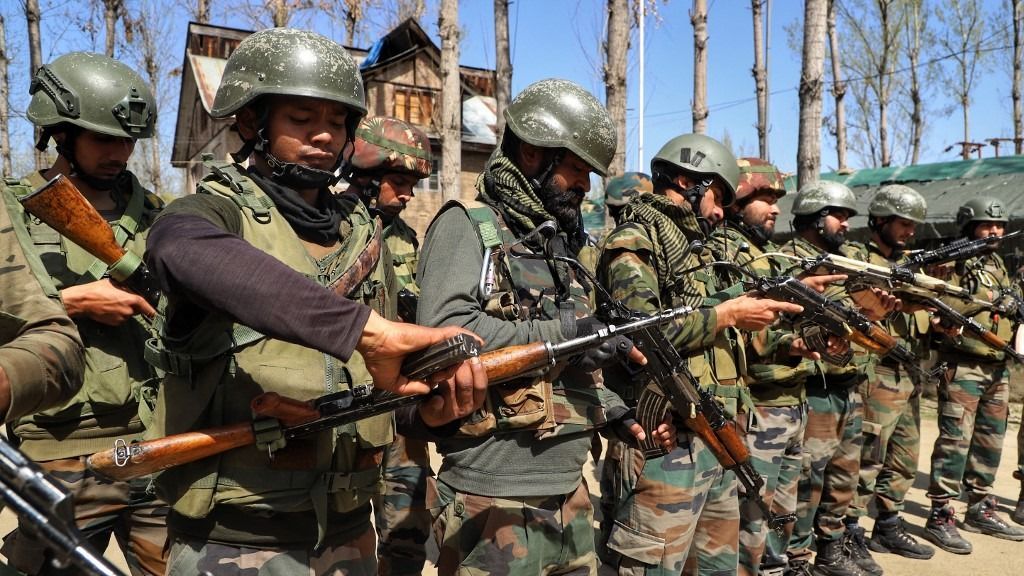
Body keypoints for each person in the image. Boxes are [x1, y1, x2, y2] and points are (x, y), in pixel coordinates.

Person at [140, 28, 486, 575]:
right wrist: (364, 330)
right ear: (253, 122)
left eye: (336, 122)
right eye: (301, 120)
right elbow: (176, 249)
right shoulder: (211, 215)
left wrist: (432, 414)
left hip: (349, 533)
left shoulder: (362, 234)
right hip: (234, 542)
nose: (323, 136)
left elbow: (382, 388)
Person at [411, 78, 675, 576]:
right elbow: (446, 333)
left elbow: (567, 363)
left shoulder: (561, 250)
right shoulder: (468, 226)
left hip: (569, 495)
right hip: (492, 500)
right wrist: (570, 336)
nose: (586, 186)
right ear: (533, 153)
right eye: (577, 169)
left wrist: (612, 411)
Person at [598, 138, 804, 576]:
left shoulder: (697, 253)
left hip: (715, 435)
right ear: (686, 181)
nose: (720, 212)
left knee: (716, 567)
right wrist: (725, 315)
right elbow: (643, 333)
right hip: (664, 445)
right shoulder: (635, 239)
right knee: (648, 565)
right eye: (717, 197)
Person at [0, 52, 168, 576]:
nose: (120, 153)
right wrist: (72, 302)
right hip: (60, 451)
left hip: (158, 443)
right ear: (59, 132)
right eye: (103, 139)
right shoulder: (11, 211)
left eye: (128, 141)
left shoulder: (160, 214)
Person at [712, 159, 849, 576]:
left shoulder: (767, 256)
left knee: (783, 510)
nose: (774, 208)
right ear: (737, 201)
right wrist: (789, 342)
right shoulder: (726, 252)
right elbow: (737, 329)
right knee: (752, 513)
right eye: (764, 199)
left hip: (795, 397)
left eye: (776, 200)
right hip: (760, 404)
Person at [778, 181, 883, 576]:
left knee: (843, 477)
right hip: (816, 387)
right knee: (808, 482)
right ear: (817, 218)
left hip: (849, 385)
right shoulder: (791, 261)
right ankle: (796, 557)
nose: (846, 224)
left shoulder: (846, 262)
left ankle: (831, 548)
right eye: (840, 215)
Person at [345, 115, 434, 575]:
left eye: (413, 184)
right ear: (365, 173)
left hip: (399, 407)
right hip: (347, 406)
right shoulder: (331, 228)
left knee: (409, 527)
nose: (408, 194)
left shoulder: (404, 237)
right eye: (399, 182)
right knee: (343, 533)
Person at [923, 196, 1024, 552]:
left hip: (997, 365)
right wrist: (992, 303)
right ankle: (940, 514)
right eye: (986, 225)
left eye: (998, 225)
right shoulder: (950, 261)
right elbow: (938, 302)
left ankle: (979, 506)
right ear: (969, 227)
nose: (994, 230)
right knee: (954, 442)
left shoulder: (996, 261)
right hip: (962, 365)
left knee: (990, 441)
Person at [844, 184, 935, 561]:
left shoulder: (911, 263)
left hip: (908, 373)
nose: (910, 232)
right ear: (880, 219)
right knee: (868, 458)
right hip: (875, 374)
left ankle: (888, 524)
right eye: (903, 224)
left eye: (914, 225)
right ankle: (847, 531)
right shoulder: (853, 258)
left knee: (904, 457)